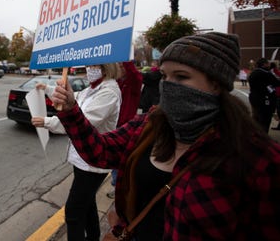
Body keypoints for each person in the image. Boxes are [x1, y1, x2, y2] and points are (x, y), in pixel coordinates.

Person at [49, 32, 280, 240]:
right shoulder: (149, 125)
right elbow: (100, 151)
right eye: (164, 76)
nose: (169, 85)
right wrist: (71, 111)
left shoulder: (257, 159)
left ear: (216, 84)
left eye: (181, 77)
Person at [32, 63, 121, 241]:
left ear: (105, 68)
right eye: (88, 65)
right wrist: (48, 88)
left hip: (93, 163)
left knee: (73, 212)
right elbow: (76, 99)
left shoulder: (109, 92)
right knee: (87, 204)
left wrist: (48, 122)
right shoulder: (92, 89)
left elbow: (83, 119)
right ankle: (93, 236)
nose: (89, 69)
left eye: (93, 65)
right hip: (83, 159)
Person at [108, 61, 142, 199]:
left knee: (122, 161)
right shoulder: (116, 84)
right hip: (114, 126)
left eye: (122, 66)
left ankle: (119, 189)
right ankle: (118, 187)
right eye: (118, 66)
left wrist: (125, 59)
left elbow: (135, 75)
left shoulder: (133, 84)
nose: (120, 68)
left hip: (126, 128)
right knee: (115, 160)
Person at [248, 58, 280, 132]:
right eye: (268, 63)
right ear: (264, 64)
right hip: (264, 100)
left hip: (254, 98)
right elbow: (276, 82)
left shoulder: (253, 73)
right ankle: (263, 138)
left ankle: (255, 136)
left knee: (256, 118)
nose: (269, 65)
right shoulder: (265, 73)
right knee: (265, 120)